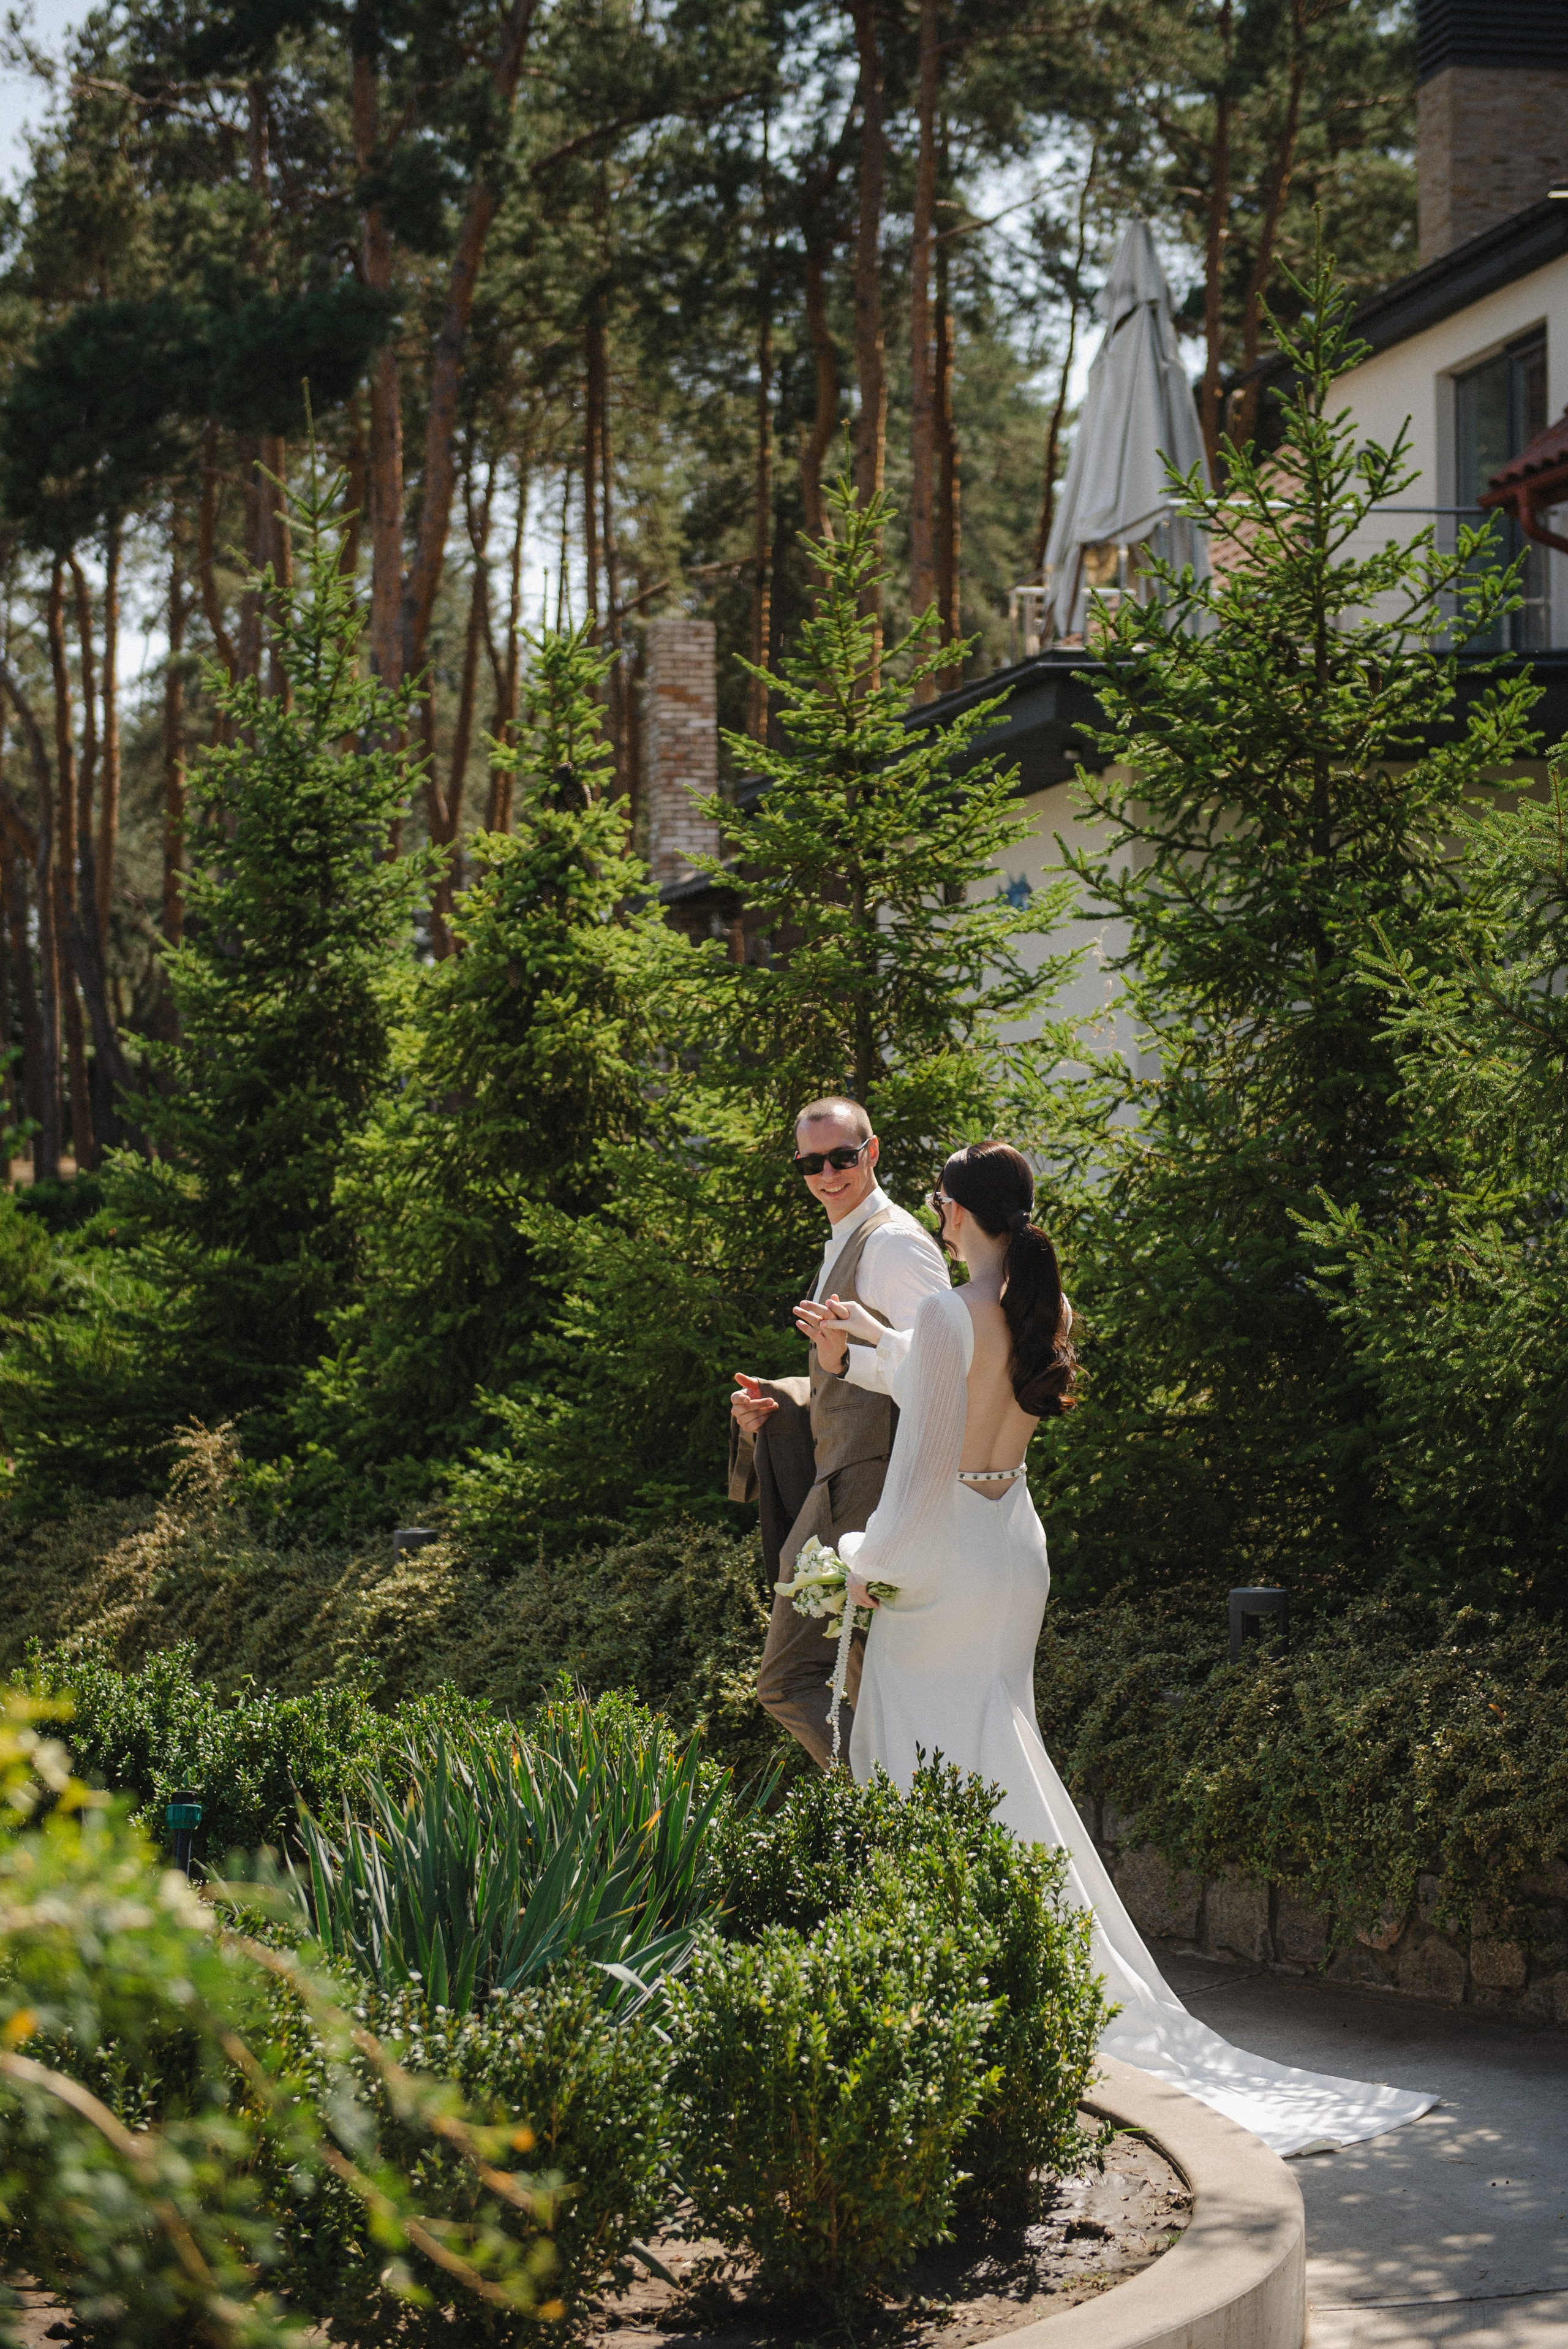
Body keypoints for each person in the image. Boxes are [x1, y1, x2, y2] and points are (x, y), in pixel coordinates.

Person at [795, 1139, 1436, 2160]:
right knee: (1000, 1753)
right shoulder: (1023, 1304)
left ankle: (962, 1971)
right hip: (1013, 1543)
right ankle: (1039, 1958)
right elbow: (947, 1385)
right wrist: (872, 1332)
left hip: (947, 1549)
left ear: (956, 1212)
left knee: (916, 1755)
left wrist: (866, 1560)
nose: (935, 1213)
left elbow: (918, 1471)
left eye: (936, 1202)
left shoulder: (950, 1314)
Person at [729, 1096, 948, 1767]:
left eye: (842, 1158)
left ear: (871, 1153)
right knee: (865, 1674)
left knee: (787, 1679)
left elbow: (938, 1373)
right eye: (810, 1163)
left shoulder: (892, 1244)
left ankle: (887, 1814)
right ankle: (907, 1822)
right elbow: (852, 1377)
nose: (827, 1173)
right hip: (847, 1478)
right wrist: (781, 1402)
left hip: (869, 1490)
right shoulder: (848, 1240)